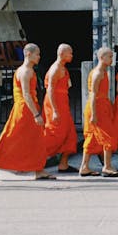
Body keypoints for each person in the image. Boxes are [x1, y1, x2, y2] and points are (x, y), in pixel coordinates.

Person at [0, 43, 54, 180]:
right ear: (28, 54)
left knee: (27, 139)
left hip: (23, 109)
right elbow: (26, 94)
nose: (39, 57)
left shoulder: (23, 70)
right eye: (37, 54)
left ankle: (38, 169)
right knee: (14, 139)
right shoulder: (26, 71)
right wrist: (36, 114)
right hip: (26, 110)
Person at [79, 47, 118, 178]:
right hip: (97, 107)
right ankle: (107, 166)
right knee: (107, 136)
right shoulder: (98, 73)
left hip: (102, 106)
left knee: (92, 137)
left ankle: (84, 167)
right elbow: (92, 94)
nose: (112, 59)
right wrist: (94, 114)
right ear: (102, 58)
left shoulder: (103, 72)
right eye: (109, 56)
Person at [43, 44, 79, 173]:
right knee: (55, 134)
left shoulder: (62, 68)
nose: (72, 56)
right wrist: (55, 111)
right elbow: (50, 90)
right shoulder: (56, 69)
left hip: (62, 103)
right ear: (62, 54)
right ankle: (35, 158)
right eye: (70, 53)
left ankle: (63, 164)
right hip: (55, 104)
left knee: (69, 134)